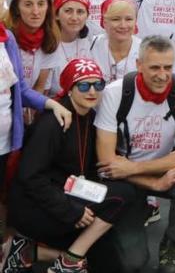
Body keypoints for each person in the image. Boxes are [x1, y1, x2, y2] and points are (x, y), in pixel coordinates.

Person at [4, 59, 134, 273]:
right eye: (83, 85)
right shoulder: (52, 123)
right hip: (36, 208)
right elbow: (30, 177)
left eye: (98, 85)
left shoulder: (91, 117)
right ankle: (69, 260)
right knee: (123, 194)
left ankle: (32, 252)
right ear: (69, 89)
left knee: (111, 264)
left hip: (69, 195)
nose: (92, 91)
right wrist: (70, 211)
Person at [94, 36, 175, 273]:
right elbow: (106, 160)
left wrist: (136, 170)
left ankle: (174, 244)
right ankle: (129, 217)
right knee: (132, 263)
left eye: (168, 67)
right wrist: (151, 183)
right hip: (122, 179)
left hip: (141, 168)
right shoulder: (115, 93)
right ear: (139, 65)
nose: (162, 75)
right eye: (155, 67)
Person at [6, 0, 62, 96]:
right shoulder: (5, 37)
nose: (35, 12)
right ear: (17, 8)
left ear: (48, 8)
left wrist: (30, 111)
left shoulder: (50, 38)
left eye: (41, 4)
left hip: (30, 102)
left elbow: (40, 87)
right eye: (28, 5)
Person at [48, 0, 94, 96]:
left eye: (80, 12)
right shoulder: (48, 46)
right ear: (56, 15)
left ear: (87, 16)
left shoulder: (92, 44)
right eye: (68, 11)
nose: (74, 18)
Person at [89, 0, 141, 83]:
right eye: (116, 19)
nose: (123, 25)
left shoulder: (146, 50)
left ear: (135, 21)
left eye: (128, 19)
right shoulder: (91, 46)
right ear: (104, 22)